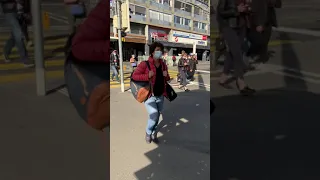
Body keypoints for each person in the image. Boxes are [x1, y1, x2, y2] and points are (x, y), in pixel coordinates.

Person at [131, 42, 170, 144]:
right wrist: (147, 75)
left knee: (157, 117)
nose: (159, 52)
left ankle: (153, 133)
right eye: (157, 50)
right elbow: (134, 76)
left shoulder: (163, 64)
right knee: (154, 115)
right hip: (149, 96)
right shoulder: (145, 64)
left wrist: (166, 75)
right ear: (152, 52)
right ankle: (148, 133)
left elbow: (167, 79)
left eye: (160, 50)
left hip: (161, 95)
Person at [216, 0, 255, 96]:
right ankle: (241, 83)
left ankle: (223, 78)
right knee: (237, 54)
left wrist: (248, 8)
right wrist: (236, 10)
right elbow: (221, 11)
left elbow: (248, 8)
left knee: (232, 53)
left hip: (241, 26)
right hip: (229, 27)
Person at [0, 0, 33, 67]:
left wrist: (28, 12)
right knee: (18, 34)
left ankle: (6, 53)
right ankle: (25, 59)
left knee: (14, 36)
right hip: (10, 12)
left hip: (21, 12)